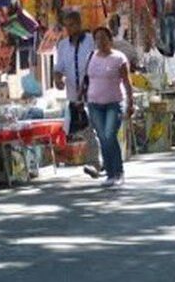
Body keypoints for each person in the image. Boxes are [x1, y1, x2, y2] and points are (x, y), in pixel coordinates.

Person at [84, 26, 134, 188]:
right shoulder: (91, 56)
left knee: (109, 135)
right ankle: (110, 174)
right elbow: (87, 80)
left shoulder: (119, 58)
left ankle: (118, 172)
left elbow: (127, 82)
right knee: (103, 137)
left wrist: (130, 103)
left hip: (114, 102)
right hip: (94, 103)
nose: (100, 42)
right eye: (97, 38)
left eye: (103, 38)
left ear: (110, 40)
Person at [53, 11, 101, 178]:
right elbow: (58, 68)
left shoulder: (91, 40)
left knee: (95, 126)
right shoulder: (62, 45)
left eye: (73, 24)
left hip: (94, 90)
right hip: (75, 94)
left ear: (80, 24)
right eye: (67, 26)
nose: (70, 29)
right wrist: (58, 79)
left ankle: (96, 161)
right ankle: (96, 161)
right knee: (87, 128)